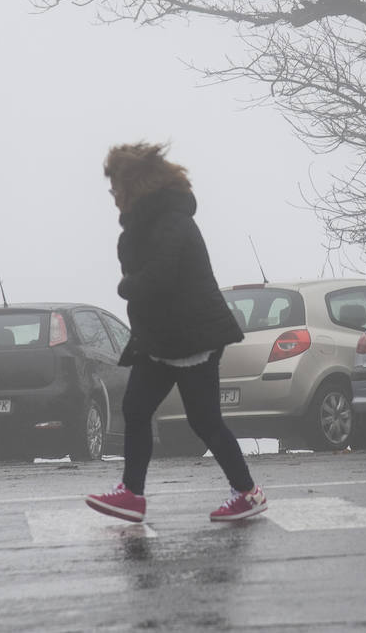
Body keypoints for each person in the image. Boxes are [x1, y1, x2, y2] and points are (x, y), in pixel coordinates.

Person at [85, 142, 267, 523]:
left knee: (205, 422)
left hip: (191, 338)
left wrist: (127, 287)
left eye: (116, 187)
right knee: (136, 409)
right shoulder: (149, 223)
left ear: (134, 184)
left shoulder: (172, 221)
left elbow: (159, 277)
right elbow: (138, 264)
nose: (113, 197)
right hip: (165, 338)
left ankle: (247, 493)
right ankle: (131, 494)